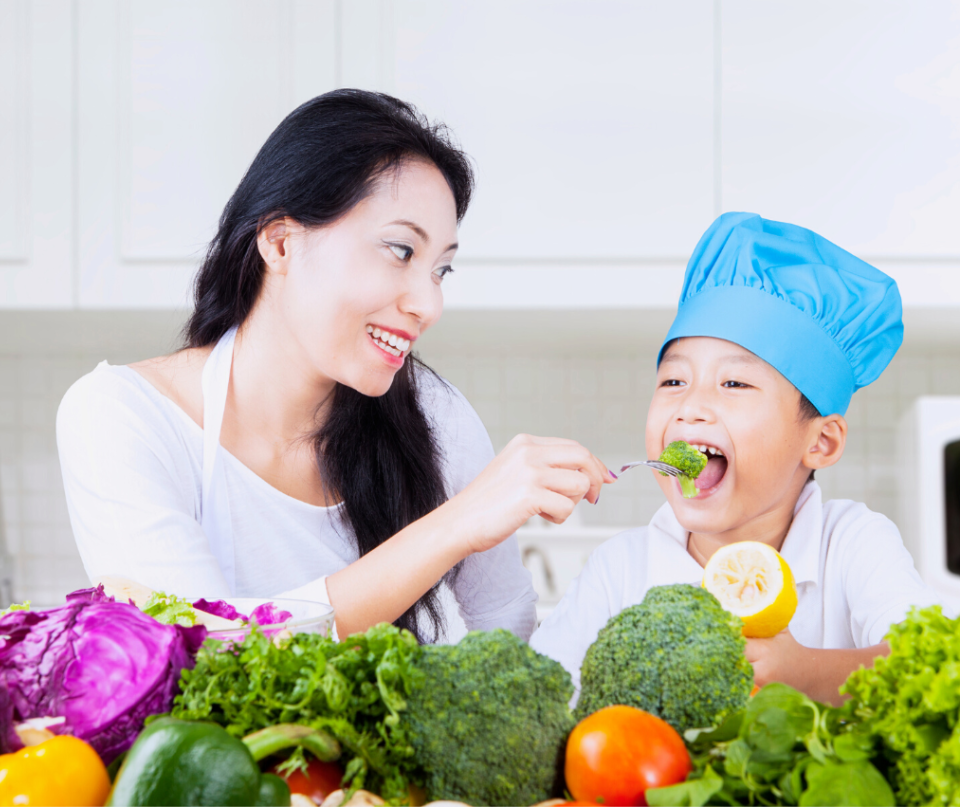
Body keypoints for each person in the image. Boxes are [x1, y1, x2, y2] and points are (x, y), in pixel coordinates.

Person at [56, 89, 613, 644]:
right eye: (401, 251)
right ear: (280, 243)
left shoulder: (435, 417)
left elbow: (506, 631)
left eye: (441, 270)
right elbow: (204, 652)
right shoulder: (119, 417)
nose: (429, 304)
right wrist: (454, 525)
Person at [530, 212, 943, 705]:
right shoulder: (620, 569)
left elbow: (931, 661)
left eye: (734, 384)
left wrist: (805, 671)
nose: (691, 407)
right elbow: (540, 698)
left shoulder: (852, 544)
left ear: (821, 443)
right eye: (673, 381)